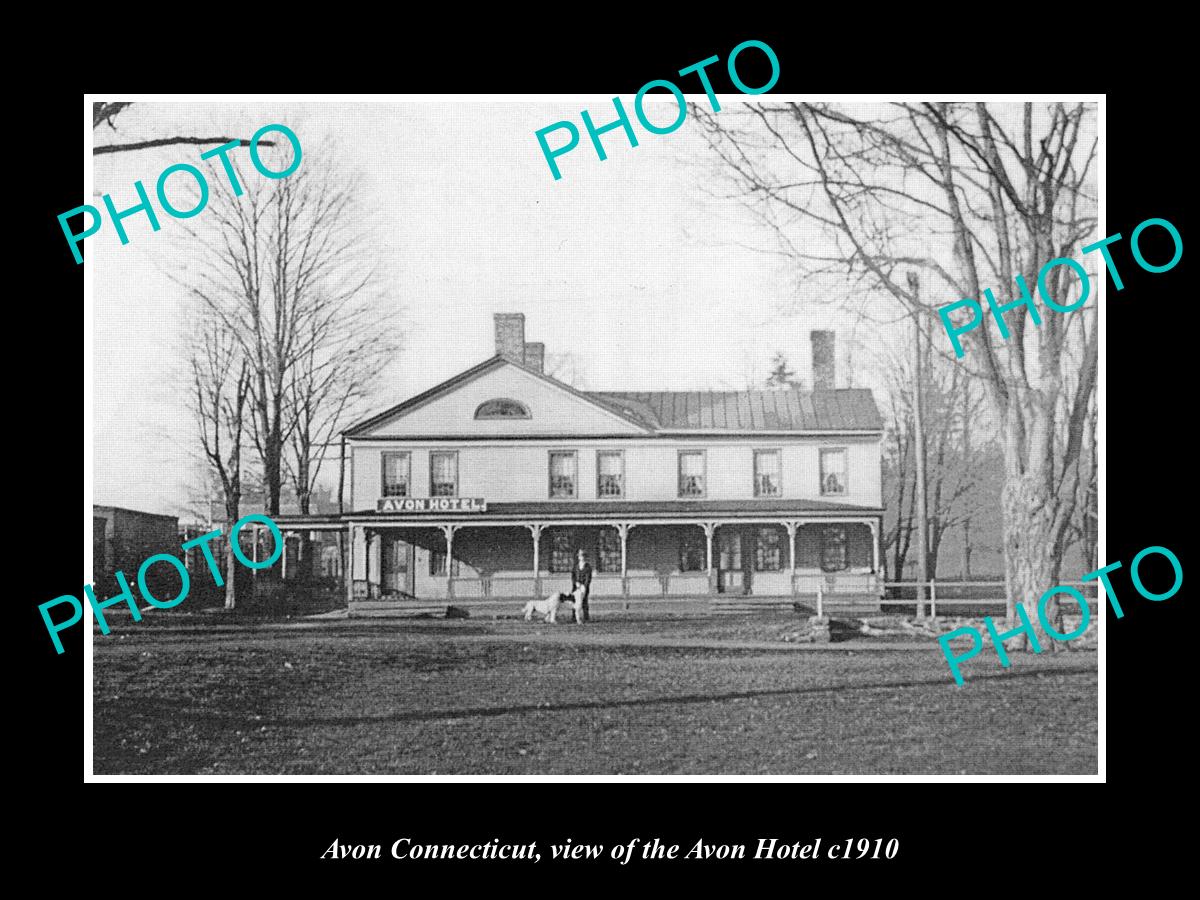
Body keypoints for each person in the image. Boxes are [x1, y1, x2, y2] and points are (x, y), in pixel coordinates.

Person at [571, 548, 593, 624]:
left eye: (583, 556)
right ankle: (574, 617)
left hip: (584, 587)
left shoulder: (588, 567)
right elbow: (573, 576)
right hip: (576, 587)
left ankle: (586, 617)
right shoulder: (576, 566)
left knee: (584, 602)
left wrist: (584, 585)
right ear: (578, 557)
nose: (582, 558)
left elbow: (588, 577)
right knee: (574, 601)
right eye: (580, 556)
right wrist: (576, 583)